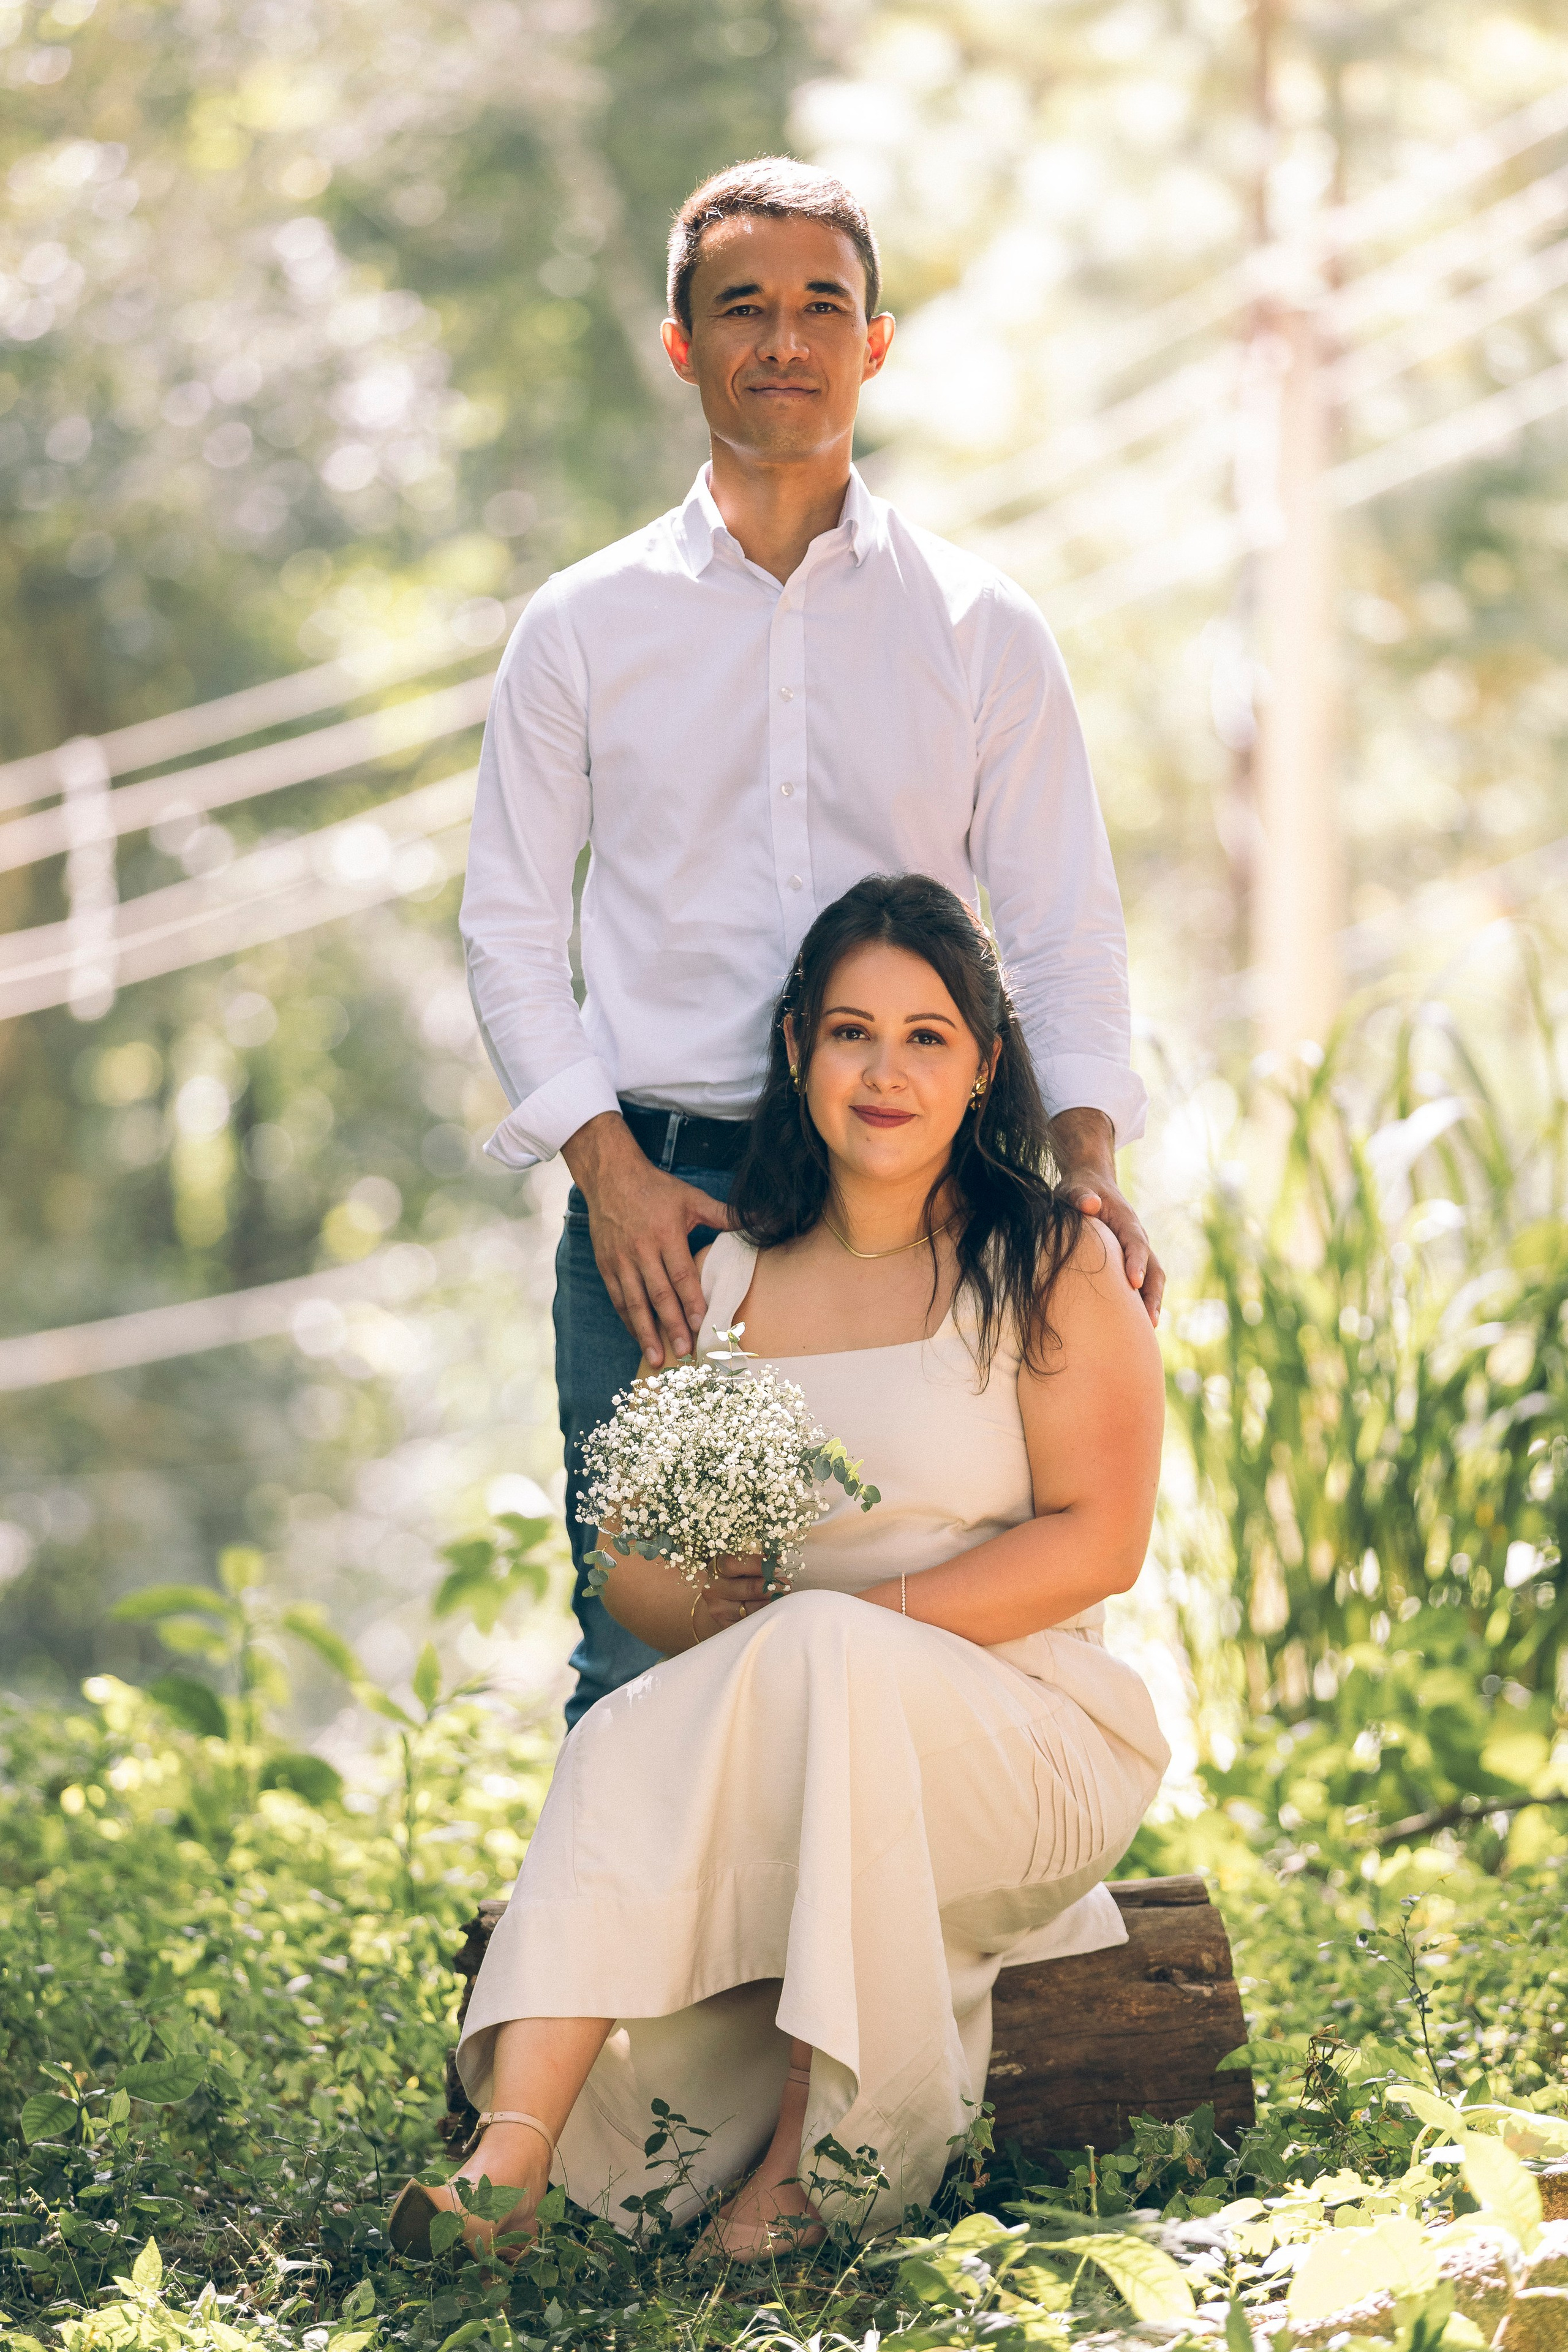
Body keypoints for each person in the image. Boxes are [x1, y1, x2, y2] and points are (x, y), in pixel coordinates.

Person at [459, 156, 1164, 1730]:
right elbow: (506, 928)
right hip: (669, 1212)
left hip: (917, 1209)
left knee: (934, 1625)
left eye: (820, 307)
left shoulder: (980, 628)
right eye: (742, 307)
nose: (783, 340)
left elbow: (1061, 925)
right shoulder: (580, 628)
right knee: (650, 1661)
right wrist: (607, 1173)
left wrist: (1085, 1157)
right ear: (680, 344)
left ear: (874, 343)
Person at [390, 874, 1169, 2264]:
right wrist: (717, 1600)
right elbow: (631, 1572)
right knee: (621, 1730)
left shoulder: (1052, 1260)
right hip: (798, 1735)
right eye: (851, 1033)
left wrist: (849, 1619)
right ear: (799, 1048)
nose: (884, 1072)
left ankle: (819, 2158)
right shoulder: (730, 1283)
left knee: (823, 1651)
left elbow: (1100, 1542)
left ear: (983, 1064)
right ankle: (503, 2172)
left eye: (926, 1037)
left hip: (1034, 1743)